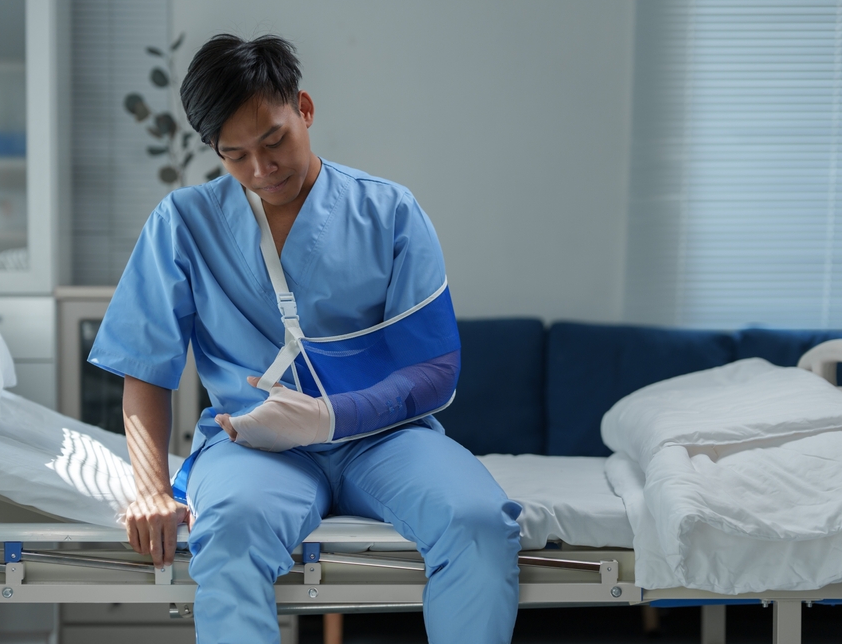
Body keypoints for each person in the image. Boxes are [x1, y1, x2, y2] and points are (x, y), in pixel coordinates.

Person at [88, 34, 521, 644]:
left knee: (479, 521)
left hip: (383, 438)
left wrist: (329, 417)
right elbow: (145, 372)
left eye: (274, 141)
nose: (262, 170)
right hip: (256, 446)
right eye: (235, 156)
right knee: (231, 528)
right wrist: (153, 491)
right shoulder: (183, 225)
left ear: (305, 109)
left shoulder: (390, 212)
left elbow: (435, 367)